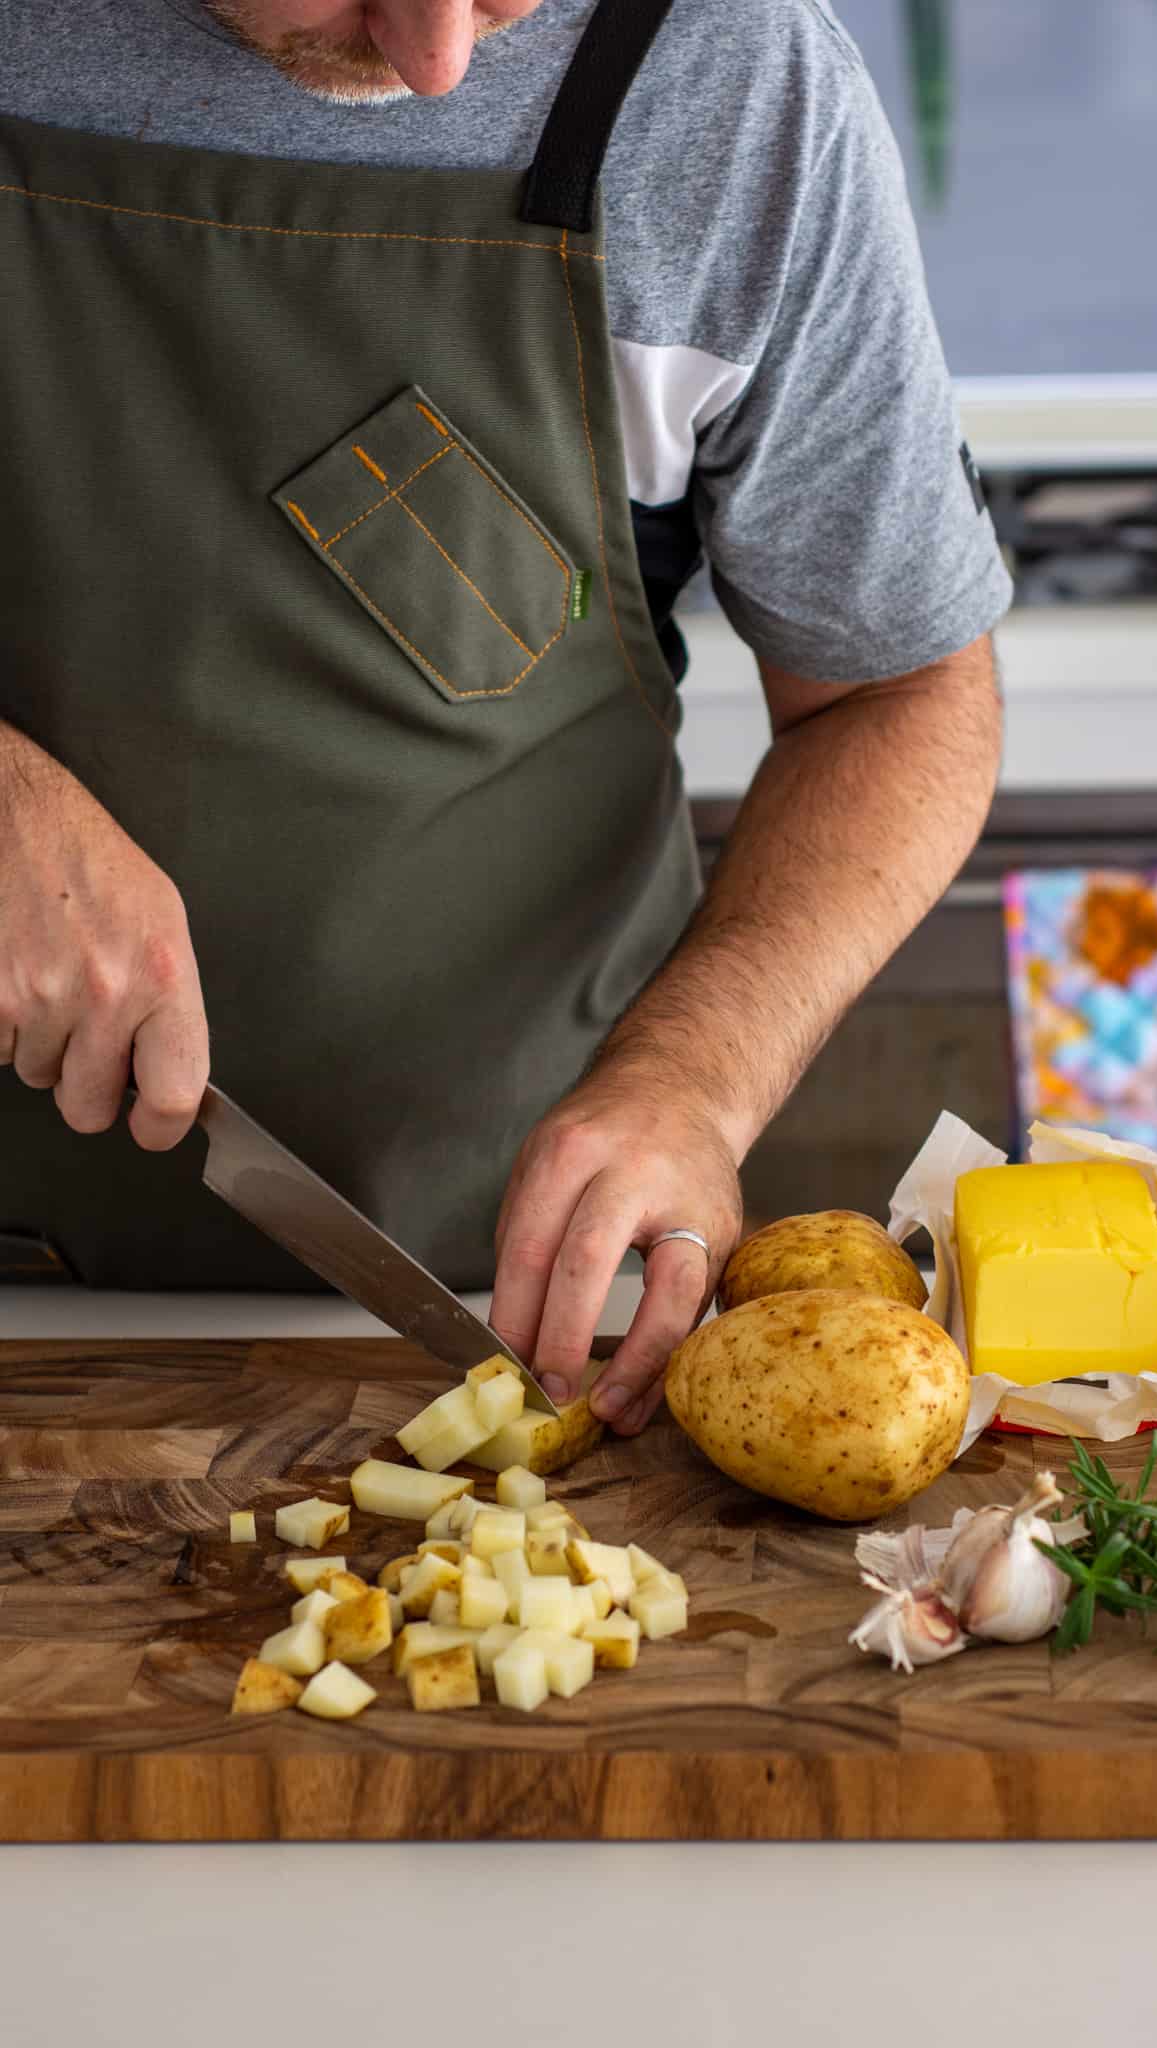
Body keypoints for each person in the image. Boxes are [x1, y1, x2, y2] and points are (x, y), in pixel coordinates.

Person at [0, 0, 1010, 1434]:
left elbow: (900, 696)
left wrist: (697, 1082)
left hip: (520, 1315)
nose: (434, 60)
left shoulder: (730, 81)